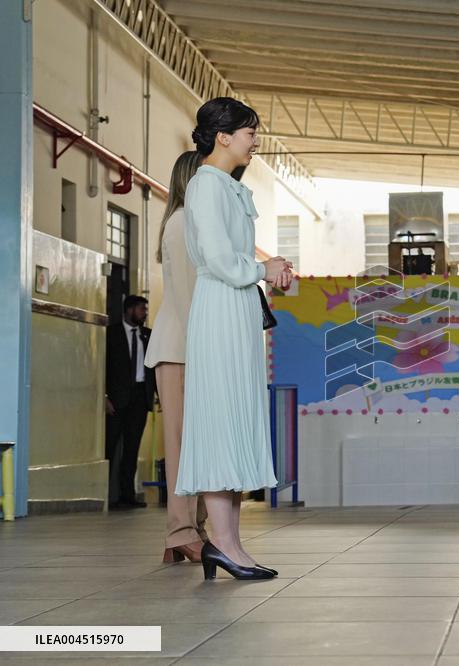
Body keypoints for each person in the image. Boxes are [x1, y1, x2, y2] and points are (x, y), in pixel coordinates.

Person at [175, 97, 292, 581]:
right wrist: (263, 268)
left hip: (237, 306)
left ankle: (232, 543)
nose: (255, 141)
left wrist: (265, 270)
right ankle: (222, 543)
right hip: (221, 307)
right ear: (223, 136)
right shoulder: (206, 185)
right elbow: (221, 260)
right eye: (250, 132)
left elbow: (234, 259)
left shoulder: (227, 186)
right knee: (222, 418)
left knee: (238, 417)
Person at [144, 150, 209, 564]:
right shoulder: (183, 222)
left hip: (186, 346)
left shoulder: (190, 222)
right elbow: (187, 297)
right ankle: (181, 531)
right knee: (183, 443)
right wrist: (206, 348)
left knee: (196, 443)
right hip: (181, 348)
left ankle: (189, 530)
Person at [105, 295, 156, 509]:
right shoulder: (111, 334)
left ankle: (127, 495)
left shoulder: (148, 335)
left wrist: (157, 395)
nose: (145, 313)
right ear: (129, 310)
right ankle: (107, 495)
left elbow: (154, 367)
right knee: (109, 446)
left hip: (139, 398)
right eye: (141, 309)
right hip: (116, 400)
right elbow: (103, 366)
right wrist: (104, 397)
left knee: (132, 448)